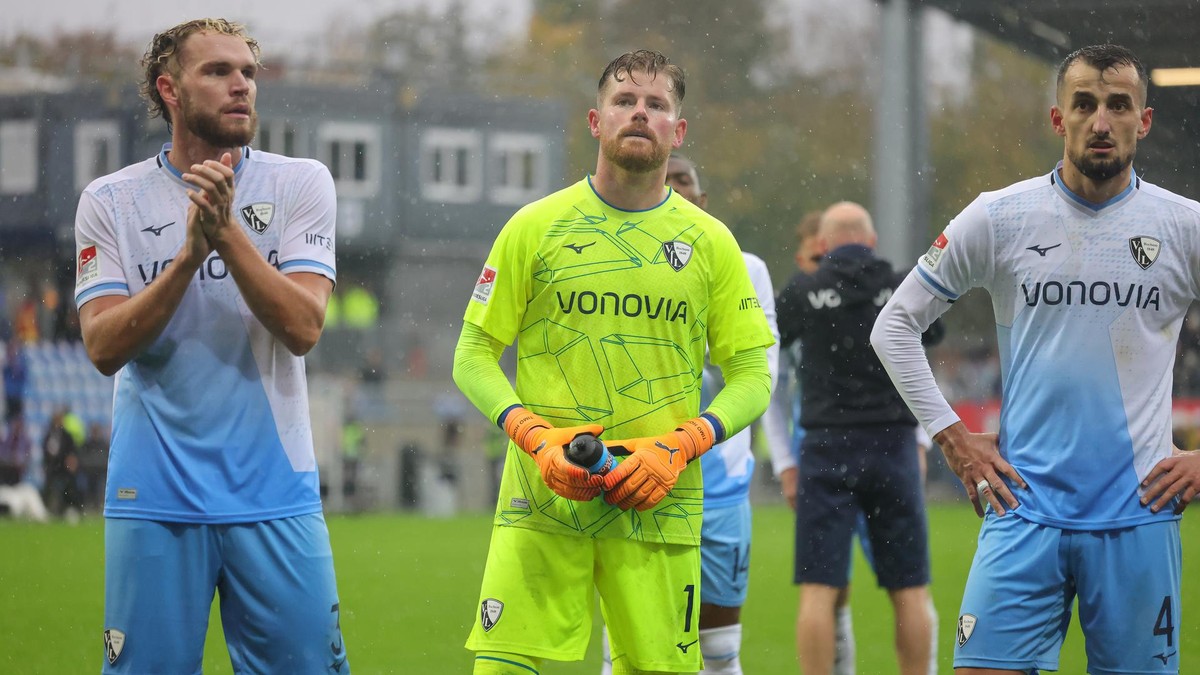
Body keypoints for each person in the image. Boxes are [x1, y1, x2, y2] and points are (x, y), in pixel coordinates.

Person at [873, 44, 1200, 674]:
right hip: (1024, 512)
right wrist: (953, 439)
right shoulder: (1001, 217)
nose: (1100, 121)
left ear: (1144, 120)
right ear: (1059, 119)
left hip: (1139, 519)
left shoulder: (1183, 227)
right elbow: (894, 327)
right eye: (1084, 105)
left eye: (1117, 106)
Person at [452, 50, 774, 674]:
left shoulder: (712, 243)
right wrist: (535, 437)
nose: (639, 113)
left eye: (657, 105)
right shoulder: (534, 227)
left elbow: (754, 376)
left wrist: (682, 445)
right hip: (542, 501)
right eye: (625, 101)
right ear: (595, 121)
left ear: (677, 133)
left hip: (660, 503)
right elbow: (472, 354)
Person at [73, 18, 348, 673]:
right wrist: (186, 259)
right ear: (170, 89)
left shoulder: (301, 183)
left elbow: (304, 327)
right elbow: (104, 345)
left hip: (276, 493)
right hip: (156, 496)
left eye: (248, 73)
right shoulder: (111, 201)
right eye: (218, 72)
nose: (241, 86)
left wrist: (225, 236)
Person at [599, 153, 780, 675]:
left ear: (702, 201)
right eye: (667, 182)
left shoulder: (745, 269)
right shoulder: (621, 262)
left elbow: (756, 371)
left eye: (686, 183)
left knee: (719, 650)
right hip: (634, 475)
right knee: (626, 647)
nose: (676, 191)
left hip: (718, 484)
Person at [776, 201, 936, 675]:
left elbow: (772, 354)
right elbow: (929, 345)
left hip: (826, 447)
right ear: (872, 241)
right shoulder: (903, 287)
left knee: (819, 587)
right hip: (895, 446)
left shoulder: (804, 289)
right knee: (909, 587)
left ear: (822, 246)